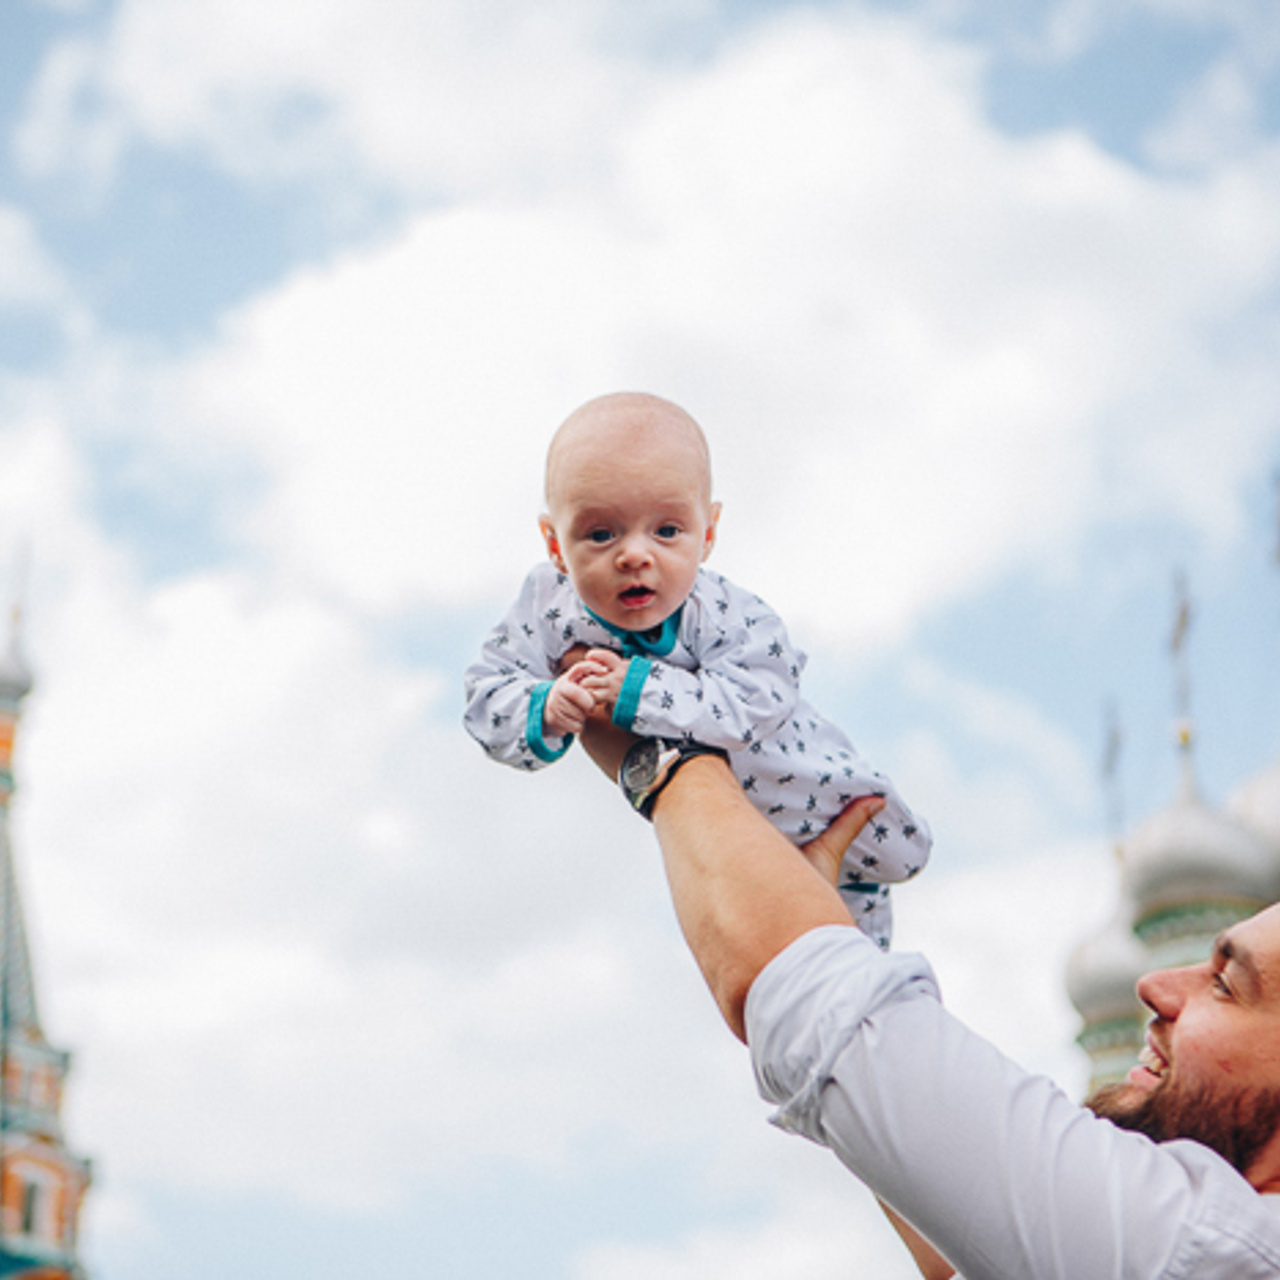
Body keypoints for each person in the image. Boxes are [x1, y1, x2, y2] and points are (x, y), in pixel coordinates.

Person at [576, 718, 1280, 1280]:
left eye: (1225, 984)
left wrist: (661, 751)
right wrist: (816, 913)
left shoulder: (1225, 1251)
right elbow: (959, 1250)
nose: (1153, 987)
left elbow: (823, 1017)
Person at [464, 391, 931, 947]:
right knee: (780, 959)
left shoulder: (728, 612)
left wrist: (639, 688)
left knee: (888, 874)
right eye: (600, 534)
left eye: (666, 531)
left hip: (815, 792)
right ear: (554, 544)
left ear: (707, 534)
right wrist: (544, 706)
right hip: (725, 837)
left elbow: (763, 696)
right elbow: (486, 690)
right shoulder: (547, 604)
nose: (634, 555)